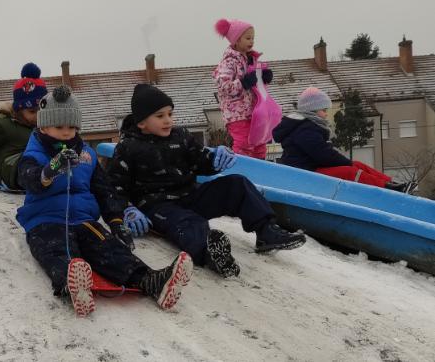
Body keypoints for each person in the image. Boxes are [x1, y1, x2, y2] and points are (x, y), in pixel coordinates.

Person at [16, 85, 193, 317]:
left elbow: (104, 190)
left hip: (83, 220)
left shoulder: (86, 155)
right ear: (43, 126)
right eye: (59, 127)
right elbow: (28, 179)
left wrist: (117, 221)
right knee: (55, 249)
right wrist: (49, 171)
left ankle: (150, 280)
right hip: (45, 220)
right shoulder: (34, 153)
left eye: (72, 127)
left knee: (108, 247)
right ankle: (72, 284)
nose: (67, 132)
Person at [107, 84, 306, 278]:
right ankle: (210, 252)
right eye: (160, 116)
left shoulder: (181, 136)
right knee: (189, 223)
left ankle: (266, 231)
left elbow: (201, 161)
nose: (168, 120)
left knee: (237, 184)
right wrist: (127, 209)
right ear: (142, 122)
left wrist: (217, 158)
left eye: (170, 114)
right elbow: (115, 186)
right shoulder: (128, 148)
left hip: (192, 195)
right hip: (158, 206)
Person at [273, 87, 413, 193]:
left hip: (312, 167)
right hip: (304, 173)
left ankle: (391, 183)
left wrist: (349, 163)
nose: (326, 114)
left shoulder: (308, 126)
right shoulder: (305, 130)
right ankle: (386, 189)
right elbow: (324, 155)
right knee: (349, 171)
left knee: (357, 164)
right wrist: (347, 163)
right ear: (312, 110)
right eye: (323, 110)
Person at [0, 62, 47, 191]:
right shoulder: (3, 126)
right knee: (30, 159)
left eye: (40, 111)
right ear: (19, 110)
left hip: (40, 168)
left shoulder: (46, 127)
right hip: (13, 169)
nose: (37, 115)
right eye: (32, 111)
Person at [212, 18, 274, 159]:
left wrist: (263, 77)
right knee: (244, 144)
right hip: (237, 114)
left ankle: (261, 171)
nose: (251, 41)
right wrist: (244, 82)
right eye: (247, 38)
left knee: (260, 143)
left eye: (253, 38)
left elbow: (256, 86)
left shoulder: (251, 59)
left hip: (256, 111)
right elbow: (224, 85)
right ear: (236, 40)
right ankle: (242, 169)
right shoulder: (229, 61)